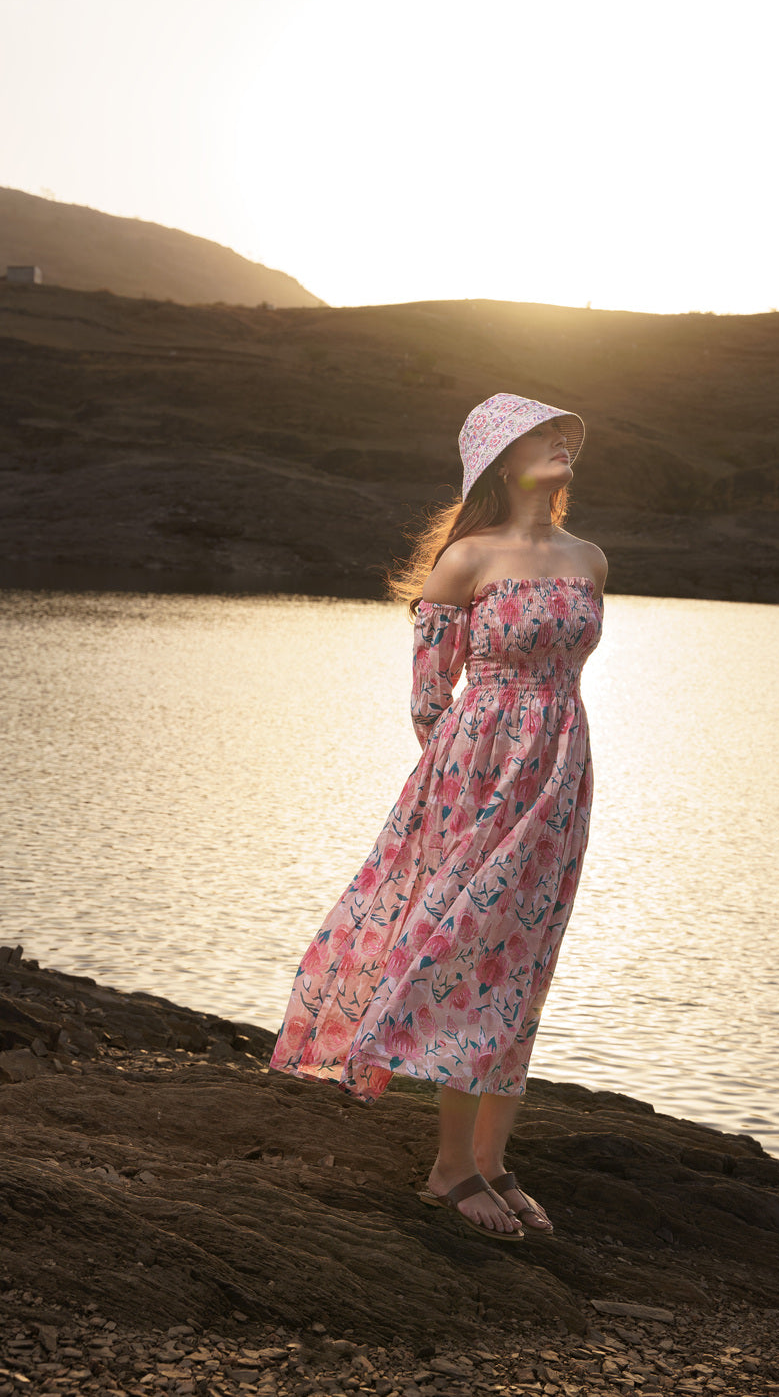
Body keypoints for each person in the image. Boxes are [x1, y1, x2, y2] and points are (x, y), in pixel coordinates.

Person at [270, 392, 606, 1241]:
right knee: (468, 951)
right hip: (476, 777)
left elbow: (567, 674)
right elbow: (428, 702)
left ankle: (492, 1159)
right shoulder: (465, 561)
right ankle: (449, 1168)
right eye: (541, 436)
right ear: (500, 458)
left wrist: (542, 759)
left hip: (563, 770)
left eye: (565, 435)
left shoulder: (589, 558)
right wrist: (471, 779)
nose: (562, 445)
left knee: (526, 953)